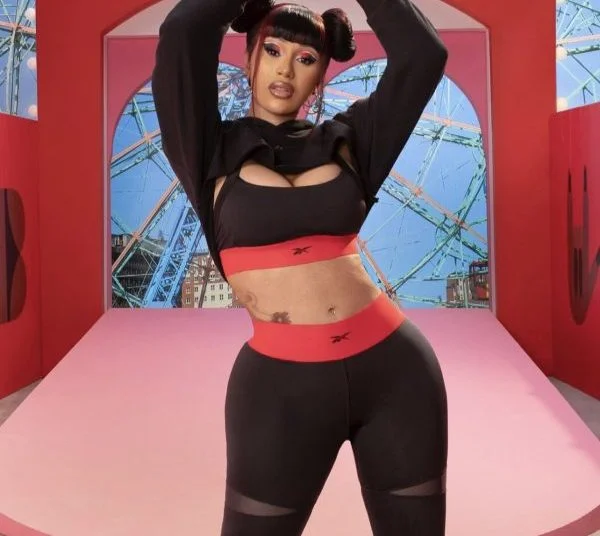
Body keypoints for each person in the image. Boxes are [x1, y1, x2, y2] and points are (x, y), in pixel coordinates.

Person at [152, 0, 449, 534]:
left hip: (397, 375)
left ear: (319, 77)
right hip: (280, 390)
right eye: (272, 50)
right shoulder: (207, 146)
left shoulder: (351, 139)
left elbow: (424, 56)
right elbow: (182, 31)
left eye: (306, 59)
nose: (286, 69)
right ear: (249, 58)